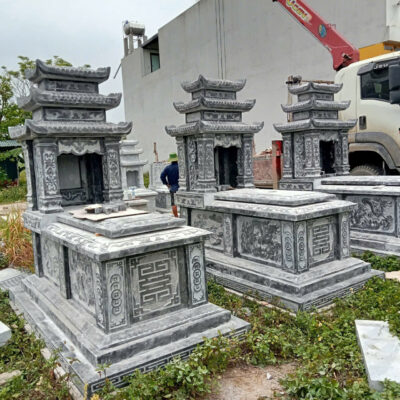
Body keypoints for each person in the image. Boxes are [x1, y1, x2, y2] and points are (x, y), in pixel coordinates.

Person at [160, 153, 179, 217]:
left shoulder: (167, 168)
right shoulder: (181, 167)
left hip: (173, 187)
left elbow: (162, 176)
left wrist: (166, 183)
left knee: (174, 203)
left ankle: (176, 216)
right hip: (182, 187)